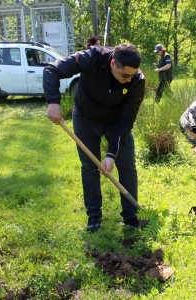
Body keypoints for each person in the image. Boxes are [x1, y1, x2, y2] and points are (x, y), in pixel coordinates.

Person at [43, 43, 145, 233]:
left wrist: (111, 154)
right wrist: (53, 102)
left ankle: (131, 216)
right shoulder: (91, 57)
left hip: (116, 122)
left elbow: (126, 121)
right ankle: (94, 217)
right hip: (85, 118)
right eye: (125, 75)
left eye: (132, 75)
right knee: (89, 166)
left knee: (127, 165)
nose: (129, 79)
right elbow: (52, 69)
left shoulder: (137, 80)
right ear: (113, 63)